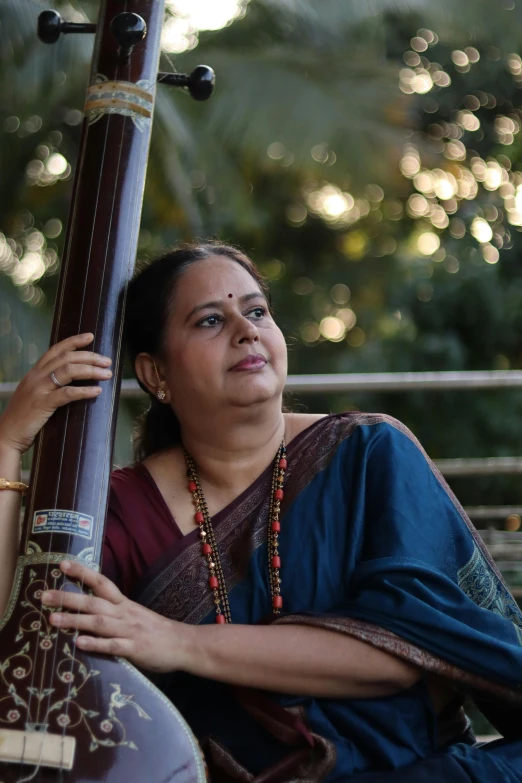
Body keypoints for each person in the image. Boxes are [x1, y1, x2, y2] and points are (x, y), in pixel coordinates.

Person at [1, 242, 522, 783]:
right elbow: (23, 640)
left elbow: (399, 655)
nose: (246, 330)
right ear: (156, 374)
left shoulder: (367, 453)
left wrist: (175, 641)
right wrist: (8, 442)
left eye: (256, 312)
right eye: (209, 320)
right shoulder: (126, 509)